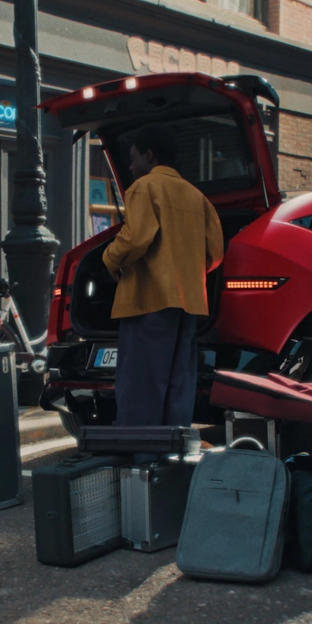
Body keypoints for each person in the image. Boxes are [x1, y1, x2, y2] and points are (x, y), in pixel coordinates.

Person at [103, 123, 224, 428]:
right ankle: (173, 448)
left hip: (148, 299)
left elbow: (136, 238)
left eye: (133, 159)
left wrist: (110, 259)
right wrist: (188, 271)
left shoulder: (145, 187)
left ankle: (142, 452)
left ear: (149, 155)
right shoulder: (198, 197)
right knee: (178, 384)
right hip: (188, 304)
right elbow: (215, 252)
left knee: (141, 386)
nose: (131, 167)